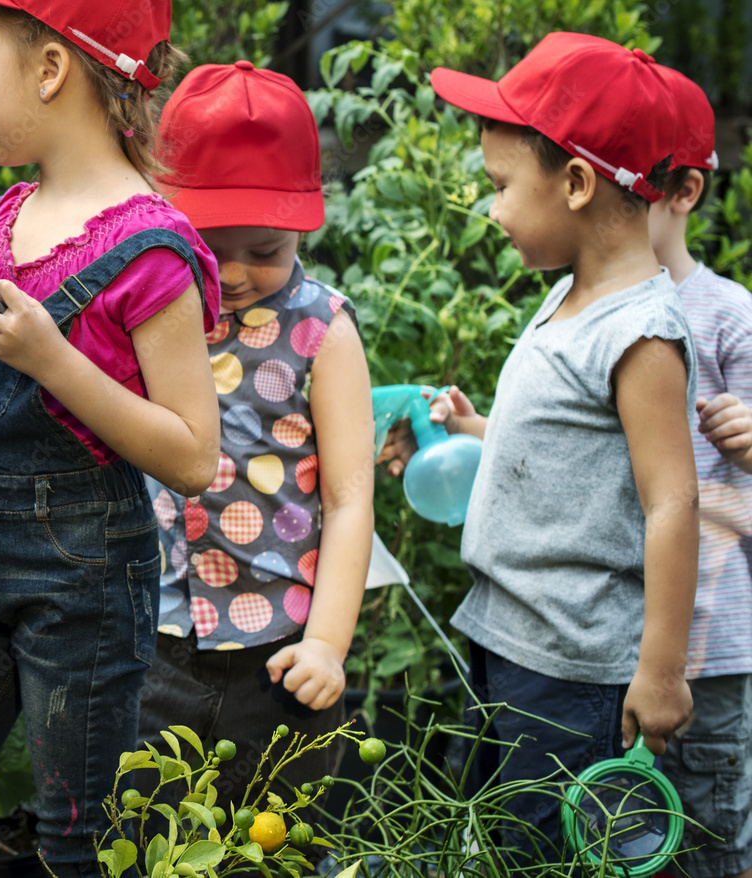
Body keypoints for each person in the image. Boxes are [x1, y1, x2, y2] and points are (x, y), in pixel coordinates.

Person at [0, 1, 221, 875]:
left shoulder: (150, 250)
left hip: (86, 582)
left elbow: (192, 455)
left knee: (77, 837)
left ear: (50, 71)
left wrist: (56, 361)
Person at [421, 32, 699, 862]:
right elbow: (579, 443)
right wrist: (481, 429)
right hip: (512, 638)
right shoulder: (572, 298)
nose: (492, 207)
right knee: (510, 840)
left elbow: (671, 500)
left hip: (575, 670)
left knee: (561, 851)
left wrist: (659, 670)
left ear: (576, 183)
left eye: (501, 186)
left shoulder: (641, 333)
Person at [137, 62, 374, 810]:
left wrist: (328, 645)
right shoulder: (150, 308)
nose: (235, 272)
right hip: (152, 645)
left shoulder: (322, 331)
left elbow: (349, 498)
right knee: (140, 841)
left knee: (274, 846)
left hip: (281, 658)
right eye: (210, 243)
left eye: (265, 250)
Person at [648, 66, 752, 878]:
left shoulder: (728, 316)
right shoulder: (588, 312)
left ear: (683, 192)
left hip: (710, 647)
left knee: (709, 844)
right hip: (623, 640)